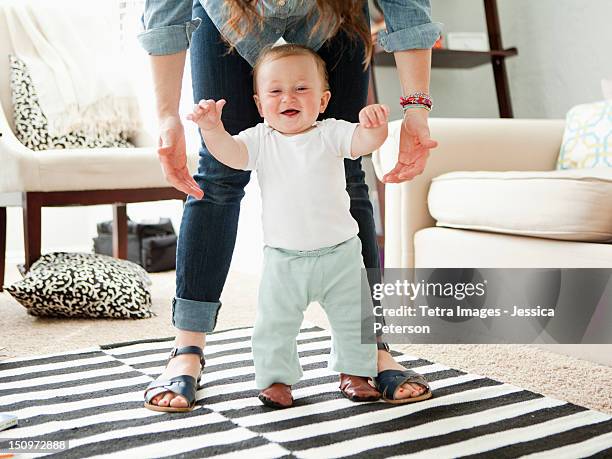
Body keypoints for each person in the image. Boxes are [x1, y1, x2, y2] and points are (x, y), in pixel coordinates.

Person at [140, 0, 441, 412]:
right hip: (227, 14)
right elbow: (166, 13)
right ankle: (187, 349)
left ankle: (370, 347)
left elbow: (407, 8)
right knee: (217, 179)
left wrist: (415, 112)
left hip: (333, 12)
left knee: (349, 172)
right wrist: (166, 117)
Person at [187, 44, 404, 408]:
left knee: (354, 320)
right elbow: (230, 155)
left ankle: (355, 372)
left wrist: (376, 127)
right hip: (284, 259)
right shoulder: (258, 139)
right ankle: (275, 380)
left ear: (323, 100)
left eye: (302, 89)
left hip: (341, 254)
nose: (288, 97)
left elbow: (364, 143)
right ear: (259, 104)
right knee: (274, 325)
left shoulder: (331, 132)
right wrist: (212, 129)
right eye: (275, 91)